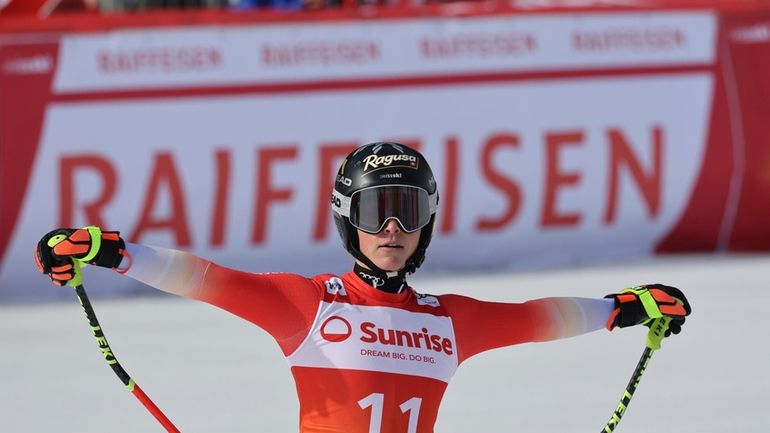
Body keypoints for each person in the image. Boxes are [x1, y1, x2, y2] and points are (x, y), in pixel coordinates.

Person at [34, 141, 691, 433]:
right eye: (378, 210)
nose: (394, 228)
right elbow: (204, 277)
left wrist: (622, 309)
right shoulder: (309, 304)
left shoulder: (448, 321)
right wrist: (111, 250)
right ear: (351, 219)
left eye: (408, 209)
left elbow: (538, 316)